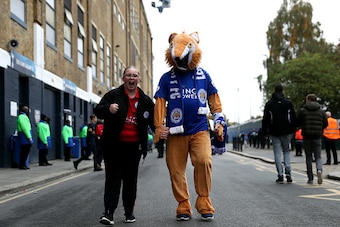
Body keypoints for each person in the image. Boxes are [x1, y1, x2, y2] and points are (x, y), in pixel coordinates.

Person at [154, 32, 227, 222]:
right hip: (175, 133)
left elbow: (214, 101)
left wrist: (219, 121)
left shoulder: (204, 75)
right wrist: (158, 126)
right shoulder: (165, 79)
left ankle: (203, 201)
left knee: (204, 161)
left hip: (200, 129)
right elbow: (160, 103)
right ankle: (183, 204)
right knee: (175, 169)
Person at [94, 66, 155, 225]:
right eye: (128, 75)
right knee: (112, 179)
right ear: (123, 78)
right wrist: (109, 108)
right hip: (114, 146)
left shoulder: (145, 100)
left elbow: (153, 122)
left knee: (130, 181)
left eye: (135, 75)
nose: (131, 78)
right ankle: (109, 213)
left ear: (138, 79)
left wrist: (162, 132)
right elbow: (98, 111)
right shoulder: (113, 95)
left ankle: (129, 212)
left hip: (134, 147)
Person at [262, 83, 296, 184]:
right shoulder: (288, 103)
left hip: (274, 132)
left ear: (274, 90)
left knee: (277, 153)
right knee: (286, 151)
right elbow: (293, 117)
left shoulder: (269, 104)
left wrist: (265, 132)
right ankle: (288, 171)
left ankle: (280, 175)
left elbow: (265, 119)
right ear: (283, 91)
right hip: (287, 131)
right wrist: (293, 129)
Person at [297, 94, 328, 184]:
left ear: (309, 100)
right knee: (318, 156)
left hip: (306, 136)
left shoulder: (303, 111)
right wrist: (320, 128)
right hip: (317, 136)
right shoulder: (322, 111)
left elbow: (299, 122)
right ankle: (319, 170)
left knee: (309, 157)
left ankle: (310, 177)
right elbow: (325, 123)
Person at [16, 105, 34, 170]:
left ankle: (23, 164)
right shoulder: (22, 117)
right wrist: (29, 137)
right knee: (24, 151)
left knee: (25, 152)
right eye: (27, 109)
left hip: (25, 135)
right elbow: (25, 128)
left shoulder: (23, 116)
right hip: (25, 136)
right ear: (24, 110)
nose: (28, 111)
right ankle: (22, 165)